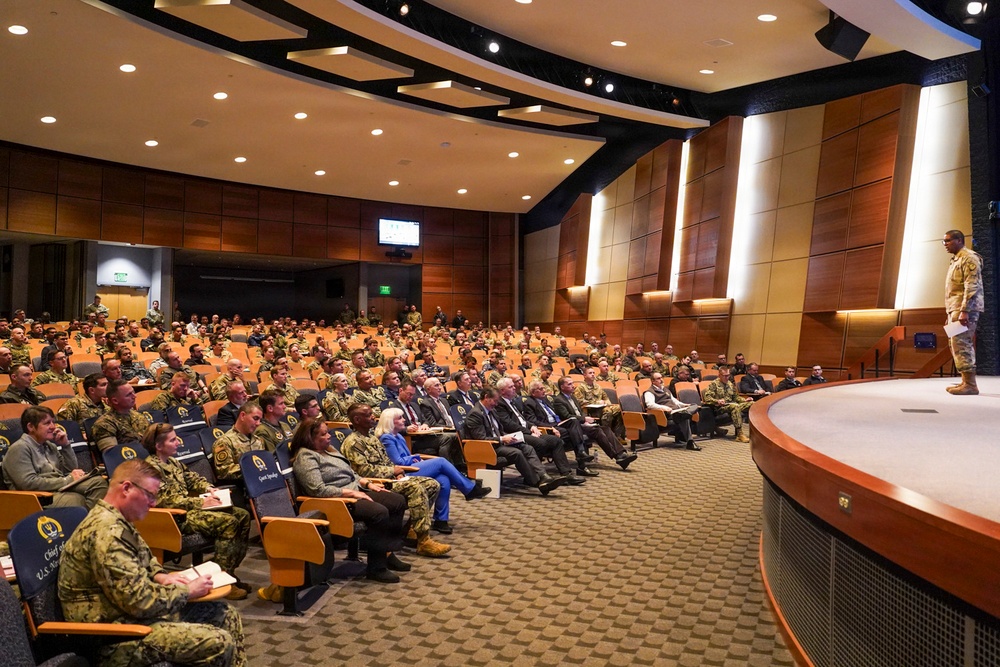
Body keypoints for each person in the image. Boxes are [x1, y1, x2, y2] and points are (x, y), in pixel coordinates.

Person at [58, 459, 247, 667]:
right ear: (127, 488)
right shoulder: (107, 533)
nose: (154, 503)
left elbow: (146, 557)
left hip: (129, 618)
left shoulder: (117, 519)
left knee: (226, 614)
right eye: (150, 495)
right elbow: (140, 602)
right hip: (112, 636)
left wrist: (160, 575)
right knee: (218, 643)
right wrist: (187, 591)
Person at [291, 418, 410, 583]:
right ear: (310, 438)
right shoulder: (306, 457)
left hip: (354, 489)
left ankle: (387, 551)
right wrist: (350, 493)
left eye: (328, 432)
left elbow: (351, 474)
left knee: (397, 501)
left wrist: (368, 483)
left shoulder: (330, 450)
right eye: (324, 434)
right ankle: (376, 567)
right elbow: (317, 489)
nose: (329, 436)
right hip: (335, 501)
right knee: (379, 512)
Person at [143, 423, 252, 601]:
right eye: (172, 440)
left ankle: (229, 572)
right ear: (158, 446)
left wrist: (209, 489)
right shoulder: (150, 469)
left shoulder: (172, 462)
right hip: (176, 517)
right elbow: (165, 501)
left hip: (189, 510)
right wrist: (202, 502)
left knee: (242, 515)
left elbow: (192, 479)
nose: (178, 442)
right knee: (229, 522)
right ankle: (220, 579)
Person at [341, 404, 451, 557]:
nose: (373, 417)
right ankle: (423, 540)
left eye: (372, 414)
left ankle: (412, 529)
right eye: (368, 415)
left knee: (432, 484)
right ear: (357, 419)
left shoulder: (372, 437)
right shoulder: (354, 443)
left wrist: (396, 473)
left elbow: (386, 461)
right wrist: (392, 471)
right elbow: (363, 471)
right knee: (415, 488)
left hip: (390, 479)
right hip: (375, 485)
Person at [376, 408, 489, 534]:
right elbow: (399, 462)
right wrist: (415, 458)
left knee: (443, 479)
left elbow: (406, 457)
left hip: (412, 467)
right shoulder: (387, 438)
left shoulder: (398, 436)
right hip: (402, 473)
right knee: (441, 461)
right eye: (400, 418)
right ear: (390, 421)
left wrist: (413, 458)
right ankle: (469, 489)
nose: (404, 420)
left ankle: (441, 520)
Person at [462, 387, 567, 495]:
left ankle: (544, 476)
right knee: (516, 453)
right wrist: (503, 438)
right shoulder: (475, 414)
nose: (496, 404)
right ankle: (537, 482)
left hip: (498, 444)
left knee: (527, 447)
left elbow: (499, 430)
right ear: (486, 397)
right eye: (495, 401)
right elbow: (481, 438)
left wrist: (510, 438)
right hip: (486, 447)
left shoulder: (491, 411)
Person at [2, 406, 108, 508]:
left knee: (99, 483)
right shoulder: (19, 448)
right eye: (47, 423)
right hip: (37, 497)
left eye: (53, 422)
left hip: (58, 487)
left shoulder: (50, 446)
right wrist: (68, 480)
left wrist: (66, 446)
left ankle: (92, 521)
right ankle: (88, 522)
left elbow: (69, 469)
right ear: (30, 427)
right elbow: (28, 483)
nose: (53, 426)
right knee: (76, 499)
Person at [553, 376, 636, 470]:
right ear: (562, 387)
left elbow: (580, 412)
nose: (573, 386)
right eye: (569, 384)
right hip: (571, 426)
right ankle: (618, 457)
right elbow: (567, 417)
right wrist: (584, 419)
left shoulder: (572, 397)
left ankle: (621, 454)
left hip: (580, 423)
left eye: (572, 383)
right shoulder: (558, 400)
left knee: (606, 429)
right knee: (597, 430)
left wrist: (585, 419)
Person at [943, 229, 984, 395]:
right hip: (955, 309)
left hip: (965, 309)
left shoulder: (969, 258)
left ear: (959, 240)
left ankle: (971, 385)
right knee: (954, 342)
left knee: (962, 343)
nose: (945, 244)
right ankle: (965, 381)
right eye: (943, 241)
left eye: (948, 241)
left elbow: (971, 285)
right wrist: (951, 314)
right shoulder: (956, 259)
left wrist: (964, 311)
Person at [91, 379, 153, 452]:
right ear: (115, 401)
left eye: (133, 392)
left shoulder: (138, 415)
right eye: (128, 395)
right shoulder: (104, 424)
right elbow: (112, 455)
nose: (134, 396)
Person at [643, 373, 700, 450]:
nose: (661, 380)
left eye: (661, 377)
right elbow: (650, 405)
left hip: (676, 410)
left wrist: (684, 405)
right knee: (684, 417)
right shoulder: (649, 392)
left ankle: (687, 412)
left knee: (693, 405)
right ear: (653, 381)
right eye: (658, 378)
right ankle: (690, 441)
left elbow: (675, 401)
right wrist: (664, 407)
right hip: (666, 414)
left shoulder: (666, 389)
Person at [212, 403, 264, 485]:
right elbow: (224, 472)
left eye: (260, 420)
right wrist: (253, 468)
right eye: (255, 418)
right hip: (241, 488)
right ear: (242, 415)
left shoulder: (258, 440)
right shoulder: (224, 442)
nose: (258, 423)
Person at [701, 367, 752, 443]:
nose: (727, 377)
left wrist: (745, 400)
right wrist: (717, 401)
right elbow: (707, 398)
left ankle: (755, 431)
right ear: (719, 375)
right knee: (735, 407)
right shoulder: (713, 384)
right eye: (725, 376)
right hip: (719, 408)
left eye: (728, 375)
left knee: (752, 404)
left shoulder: (730, 384)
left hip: (730, 405)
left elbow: (736, 397)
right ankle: (739, 434)